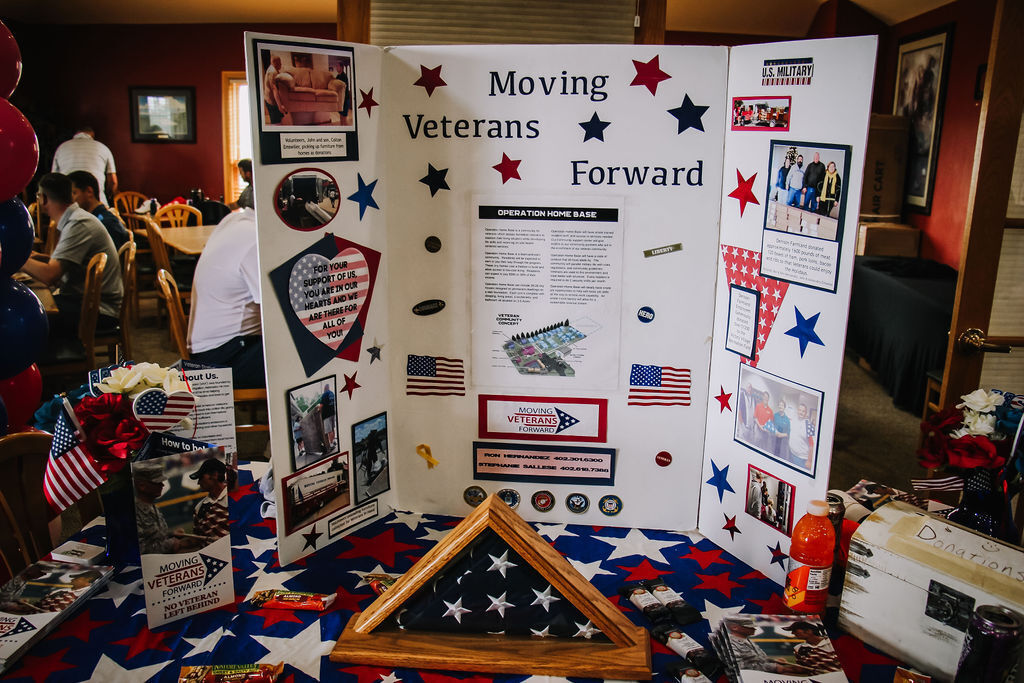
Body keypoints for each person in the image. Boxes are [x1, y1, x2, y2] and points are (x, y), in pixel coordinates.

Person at [20, 173, 123, 337]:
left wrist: (16, 258)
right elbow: (64, 264)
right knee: (32, 305)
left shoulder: (78, 224)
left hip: (100, 310)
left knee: (27, 315)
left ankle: (54, 353)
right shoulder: (76, 218)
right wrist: (38, 258)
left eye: (38, 196)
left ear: (44, 198)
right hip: (87, 302)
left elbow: (50, 275)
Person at [187, 208, 265, 389]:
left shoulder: (234, 219)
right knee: (307, 348)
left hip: (207, 349)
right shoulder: (255, 238)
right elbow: (276, 306)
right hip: (221, 360)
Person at [134, 461, 191, 554]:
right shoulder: (136, 512)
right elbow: (142, 551)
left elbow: (154, 536)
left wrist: (171, 534)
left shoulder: (151, 506)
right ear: (142, 486)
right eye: (157, 482)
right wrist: (174, 543)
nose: (162, 485)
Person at [51, 126, 117, 206]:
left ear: (76, 134)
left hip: (68, 202)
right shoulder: (103, 148)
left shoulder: (61, 148)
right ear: (92, 135)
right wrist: (108, 196)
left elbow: (53, 180)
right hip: (97, 202)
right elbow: (113, 182)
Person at [67, 170, 130, 249]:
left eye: (74, 193)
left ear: (89, 192)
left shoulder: (106, 223)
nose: (70, 199)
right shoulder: (91, 219)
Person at [723, 619, 802, 675]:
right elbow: (740, 668)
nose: (754, 628)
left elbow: (759, 659)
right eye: (749, 626)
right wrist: (776, 667)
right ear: (734, 627)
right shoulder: (730, 643)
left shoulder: (749, 641)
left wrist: (774, 661)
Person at [189, 458, 232, 542]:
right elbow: (197, 540)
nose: (198, 482)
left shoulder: (235, 497)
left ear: (215, 475)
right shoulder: (199, 508)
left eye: (201, 477)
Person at [789, 403, 814, 469]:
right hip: (791, 453)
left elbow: (812, 445)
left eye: (803, 411)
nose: (801, 412)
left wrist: (809, 461)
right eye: (799, 410)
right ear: (797, 411)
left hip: (801, 458)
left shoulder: (809, 425)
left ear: (806, 413)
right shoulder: (793, 420)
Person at [263, 55, 288, 124]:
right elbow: (274, 89)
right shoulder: (272, 72)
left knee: (280, 120)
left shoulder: (273, 69)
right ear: (275, 63)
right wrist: (280, 106)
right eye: (279, 63)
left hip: (272, 100)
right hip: (271, 101)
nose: (281, 64)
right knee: (276, 123)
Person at [319, 382, 336, 448]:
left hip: (327, 415)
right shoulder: (332, 393)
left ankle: (331, 444)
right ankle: (334, 441)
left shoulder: (324, 394)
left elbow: (321, 405)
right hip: (332, 413)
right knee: (332, 428)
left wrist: (319, 410)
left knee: (329, 430)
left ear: (325, 388)